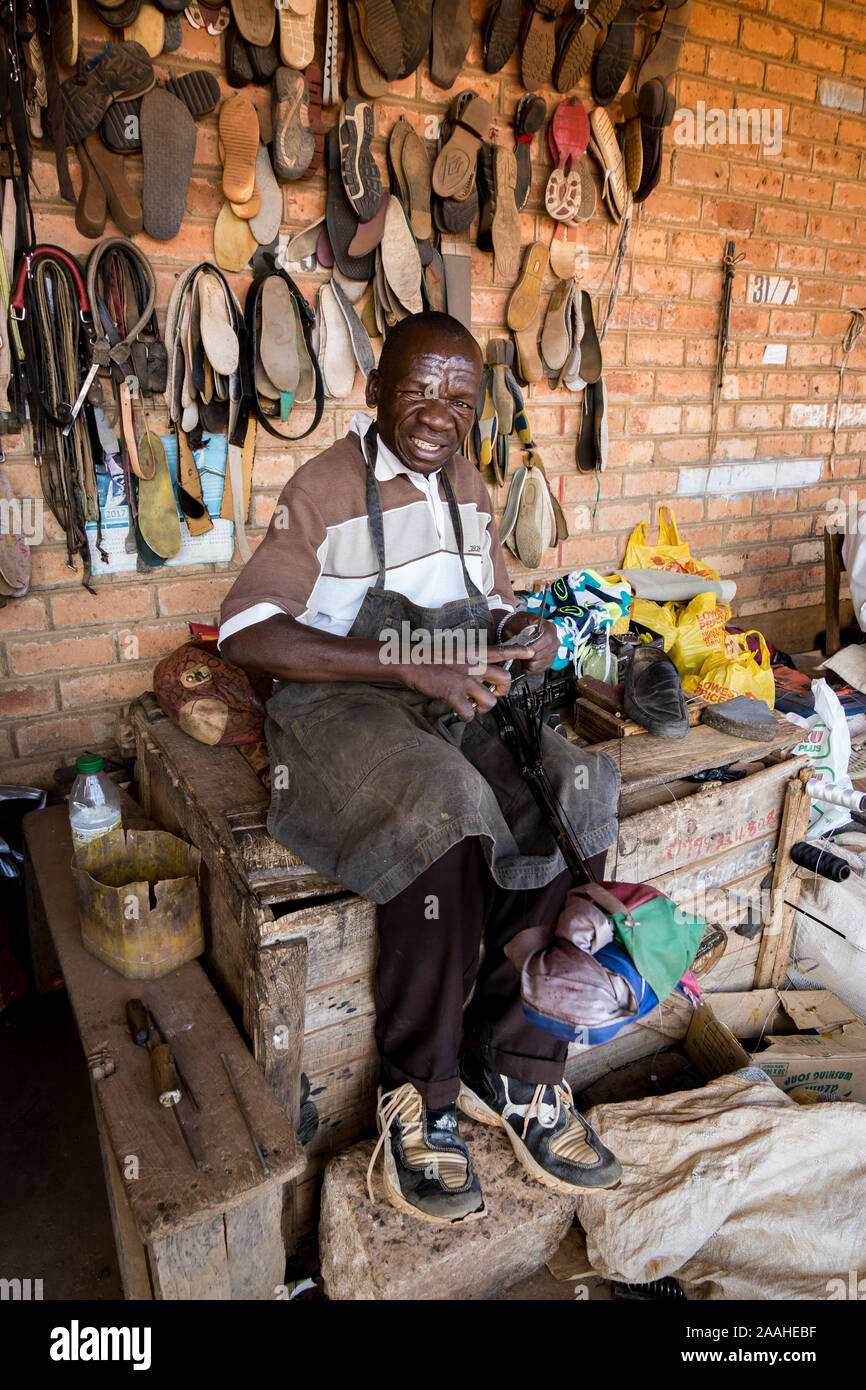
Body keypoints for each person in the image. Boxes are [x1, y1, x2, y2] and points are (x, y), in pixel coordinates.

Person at [220, 311, 622, 1224]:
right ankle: (422, 1094)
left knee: (575, 789)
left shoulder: (469, 486)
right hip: (340, 701)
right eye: (421, 390)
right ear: (375, 392)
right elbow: (247, 633)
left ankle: (516, 1064)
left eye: (460, 397)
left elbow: (490, 597)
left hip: (448, 687)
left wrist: (522, 629)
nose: (441, 413)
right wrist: (402, 661)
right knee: (445, 806)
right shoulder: (322, 486)